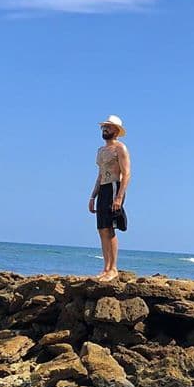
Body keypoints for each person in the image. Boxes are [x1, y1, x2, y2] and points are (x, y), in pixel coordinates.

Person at [89, 115, 131, 282]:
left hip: (115, 187)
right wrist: (93, 196)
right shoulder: (101, 151)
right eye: (104, 127)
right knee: (102, 229)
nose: (105, 129)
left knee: (110, 228)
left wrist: (119, 197)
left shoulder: (120, 148)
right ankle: (105, 268)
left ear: (116, 131)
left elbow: (126, 173)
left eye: (108, 127)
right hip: (103, 189)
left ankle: (113, 269)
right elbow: (100, 175)